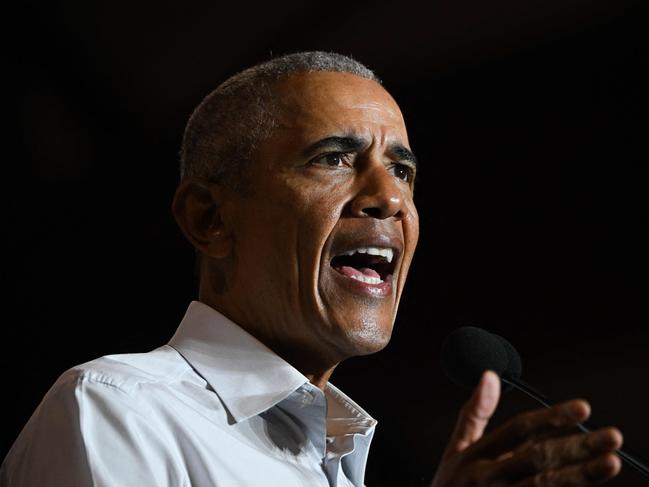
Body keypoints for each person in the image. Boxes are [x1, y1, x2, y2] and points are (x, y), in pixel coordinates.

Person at [1, 52, 623, 486]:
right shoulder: (121, 413)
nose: (390, 198)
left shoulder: (334, 455)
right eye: (333, 158)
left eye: (402, 170)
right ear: (209, 219)